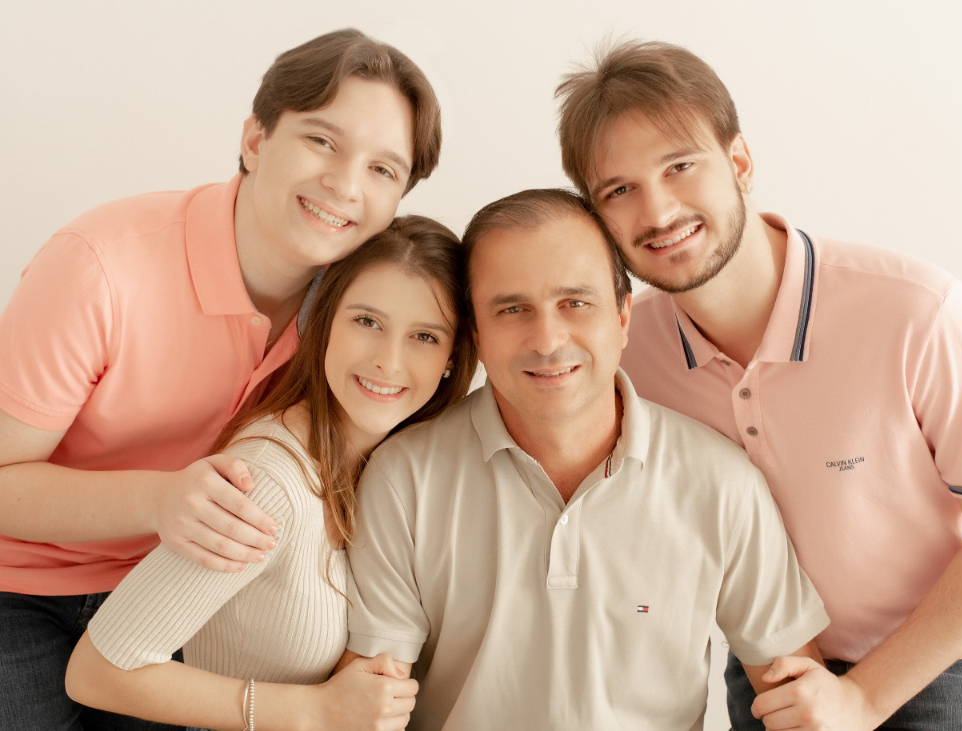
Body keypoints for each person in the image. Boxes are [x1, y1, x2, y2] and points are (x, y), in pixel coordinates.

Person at [555, 39, 962, 730]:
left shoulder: (915, 310)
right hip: (777, 664)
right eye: (618, 190)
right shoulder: (629, 358)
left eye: (679, 166)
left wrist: (863, 698)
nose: (655, 212)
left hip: (956, 654)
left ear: (739, 162)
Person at [0, 28, 442, 730]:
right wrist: (158, 499)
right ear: (256, 140)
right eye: (322, 141)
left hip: (173, 586)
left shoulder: (356, 314)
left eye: (384, 170)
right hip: (17, 585)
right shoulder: (99, 267)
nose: (346, 184)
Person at [342, 189, 827, 730]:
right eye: (512, 309)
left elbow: (798, 698)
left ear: (623, 316)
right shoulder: (404, 478)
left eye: (575, 303)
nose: (547, 339)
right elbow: (367, 707)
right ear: (476, 334)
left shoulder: (722, 483)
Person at [64, 215, 477, 731]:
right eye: (366, 321)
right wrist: (315, 711)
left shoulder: (401, 465)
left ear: (451, 357)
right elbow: (100, 670)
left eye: (423, 336)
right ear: (325, 322)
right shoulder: (268, 483)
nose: (388, 362)